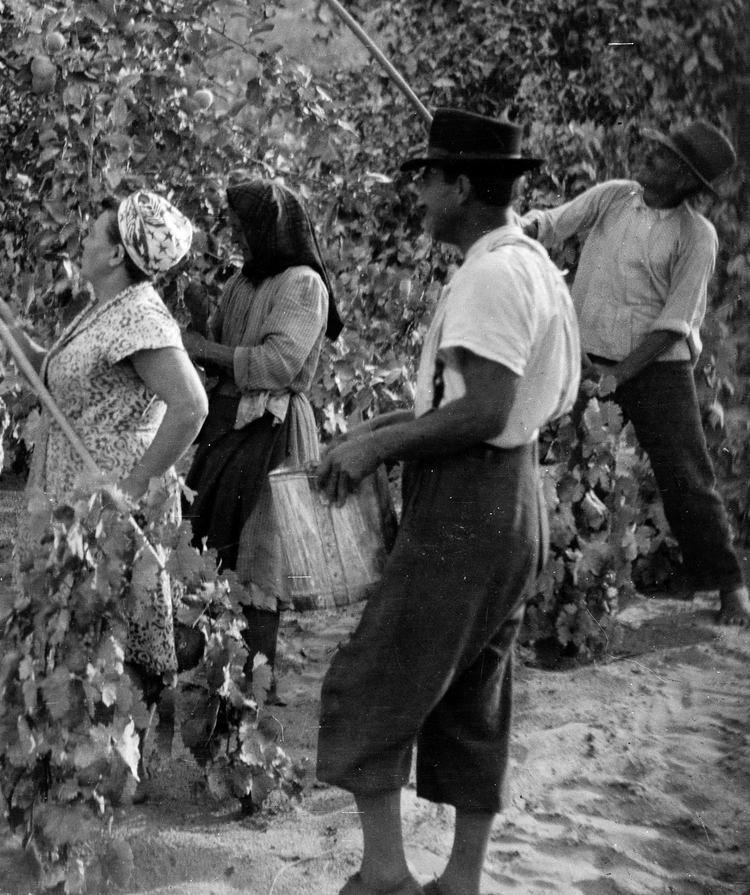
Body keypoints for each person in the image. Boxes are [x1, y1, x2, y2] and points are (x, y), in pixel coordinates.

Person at [313, 110, 580, 895]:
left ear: (465, 186)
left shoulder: (491, 276)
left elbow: (482, 411)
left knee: (374, 675)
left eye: (429, 179)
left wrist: (379, 449)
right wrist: (381, 428)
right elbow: (473, 404)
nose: (421, 195)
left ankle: (387, 874)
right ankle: (460, 880)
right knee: (473, 695)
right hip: (511, 495)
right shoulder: (527, 263)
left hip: (470, 501)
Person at [0, 191, 208, 713]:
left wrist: (134, 486)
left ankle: (120, 769)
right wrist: (6, 326)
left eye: (94, 232)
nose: (82, 237)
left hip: (109, 504)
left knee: (111, 633)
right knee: (72, 627)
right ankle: (79, 754)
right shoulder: (104, 309)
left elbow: (191, 406)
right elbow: (53, 381)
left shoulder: (142, 319)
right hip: (70, 494)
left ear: (117, 254)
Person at [518, 121, 750, 626]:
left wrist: (619, 376)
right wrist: (524, 226)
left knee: (686, 475)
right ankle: (562, 578)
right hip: (586, 358)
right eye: (656, 150)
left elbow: (674, 324)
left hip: (657, 369)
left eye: (665, 159)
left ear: (688, 181)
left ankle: (729, 584)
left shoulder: (697, 237)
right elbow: (555, 221)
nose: (648, 159)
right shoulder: (615, 197)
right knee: (568, 466)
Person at [181, 178, 343, 704]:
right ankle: (227, 672)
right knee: (216, 548)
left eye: (241, 227)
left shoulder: (302, 285)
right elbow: (224, 348)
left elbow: (278, 364)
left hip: (272, 429)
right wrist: (203, 316)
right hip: (231, 422)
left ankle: (256, 683)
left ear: (267, 229)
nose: (235, 237)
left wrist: (207, 348)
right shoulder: (243, 284)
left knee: (261, 557)